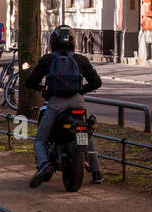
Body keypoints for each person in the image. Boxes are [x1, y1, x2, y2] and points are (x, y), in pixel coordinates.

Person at [25, 25, 103, 187]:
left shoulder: (48, 59)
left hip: (55, 103)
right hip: (78, 103)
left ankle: (45, 164)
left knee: (40, 139)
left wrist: (41, 88)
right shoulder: (81, 60)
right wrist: (81, 91)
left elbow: (31, 81)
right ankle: (96, 172)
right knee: (85, 134)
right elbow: (96, 82)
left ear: (53, 41)